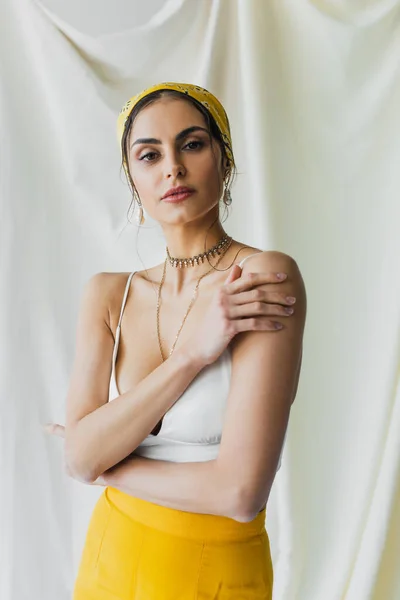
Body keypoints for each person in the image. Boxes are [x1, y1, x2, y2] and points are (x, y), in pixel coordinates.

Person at [45, 82, 307, 599]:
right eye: (150, 154)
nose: (173, 168)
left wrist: (106, 467)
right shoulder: (107, 294)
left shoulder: (262, 277)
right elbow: (77, 457)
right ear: (133, 179)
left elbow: (239, 492)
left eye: (192, 144)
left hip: (217, 572)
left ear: (223, 160)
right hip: (110, 561)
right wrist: (192, 355)